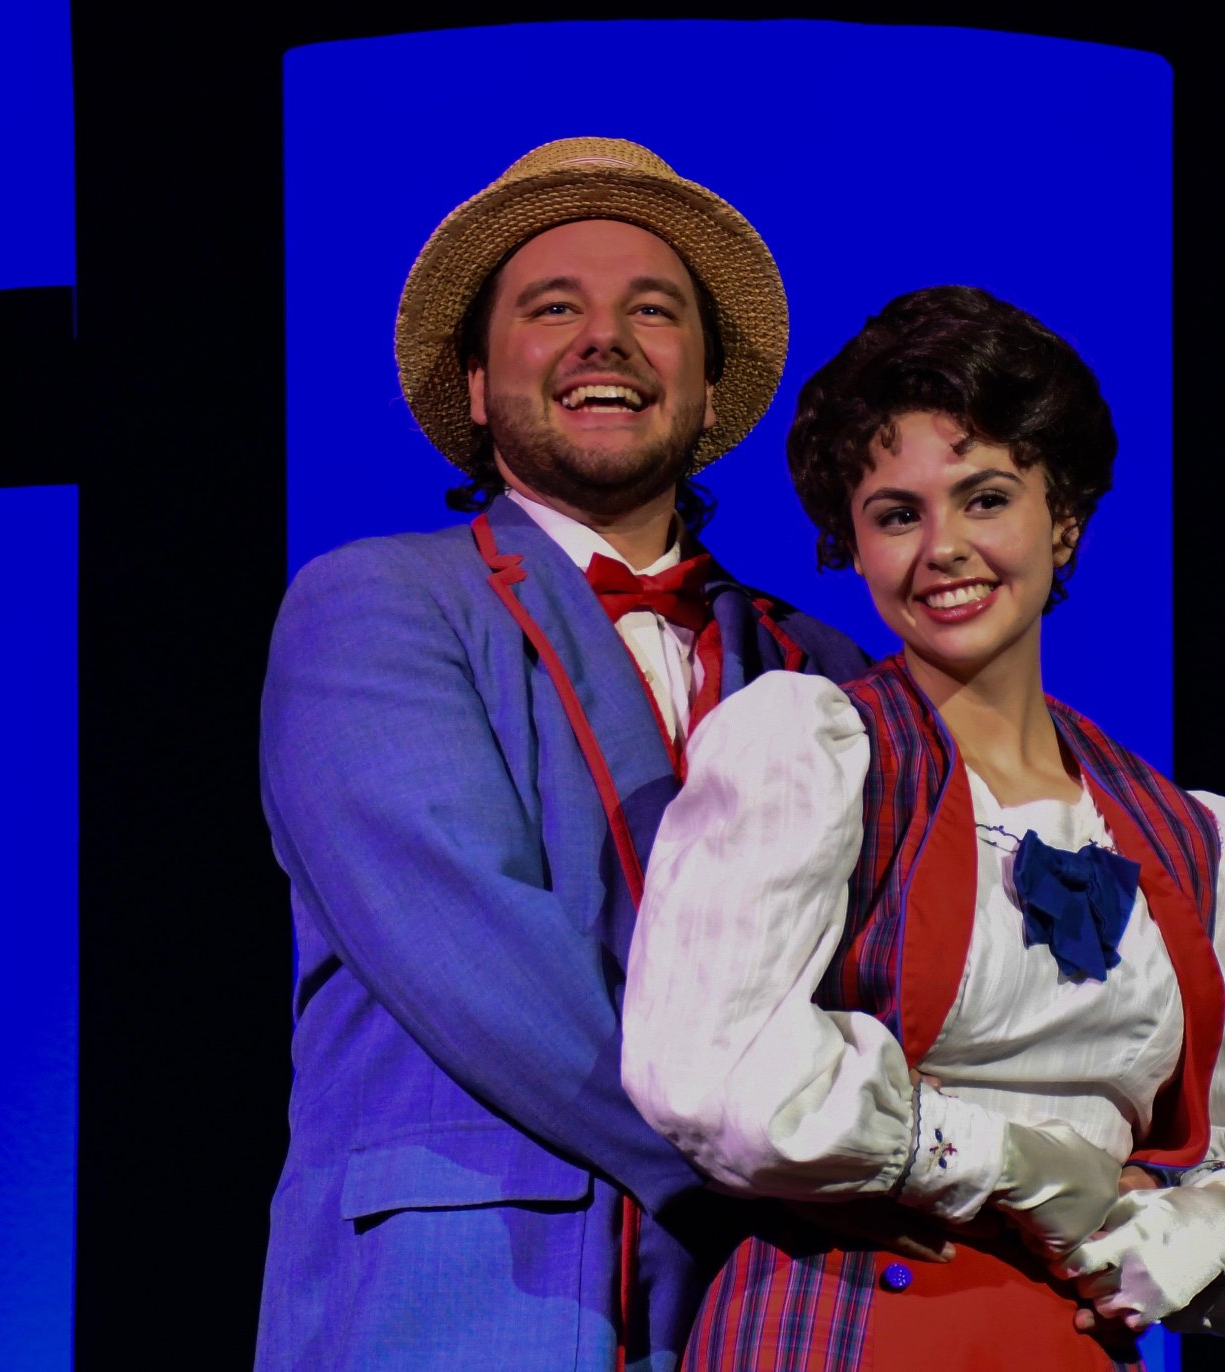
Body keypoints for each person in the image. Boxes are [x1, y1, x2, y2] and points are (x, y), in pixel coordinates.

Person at [252, 138, 867, 1371]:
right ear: (476, 384)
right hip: (462, 1303)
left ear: (704, 391)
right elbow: (479, 949)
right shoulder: (375, 604)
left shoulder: (831, 671)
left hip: (772, 1319)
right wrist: (819, 1171)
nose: (607, 339)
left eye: (653, 311)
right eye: (553, 309)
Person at [621, 286, 1225, 1369]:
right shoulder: (811, 752)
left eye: (984, 498)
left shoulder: (1191, 839)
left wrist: (1204, 1224)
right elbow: (712, 1073)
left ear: (1062, 517)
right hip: (838, 1331)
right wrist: (1028, 1165)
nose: (942, 547)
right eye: (897, 514)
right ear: (851, 545)